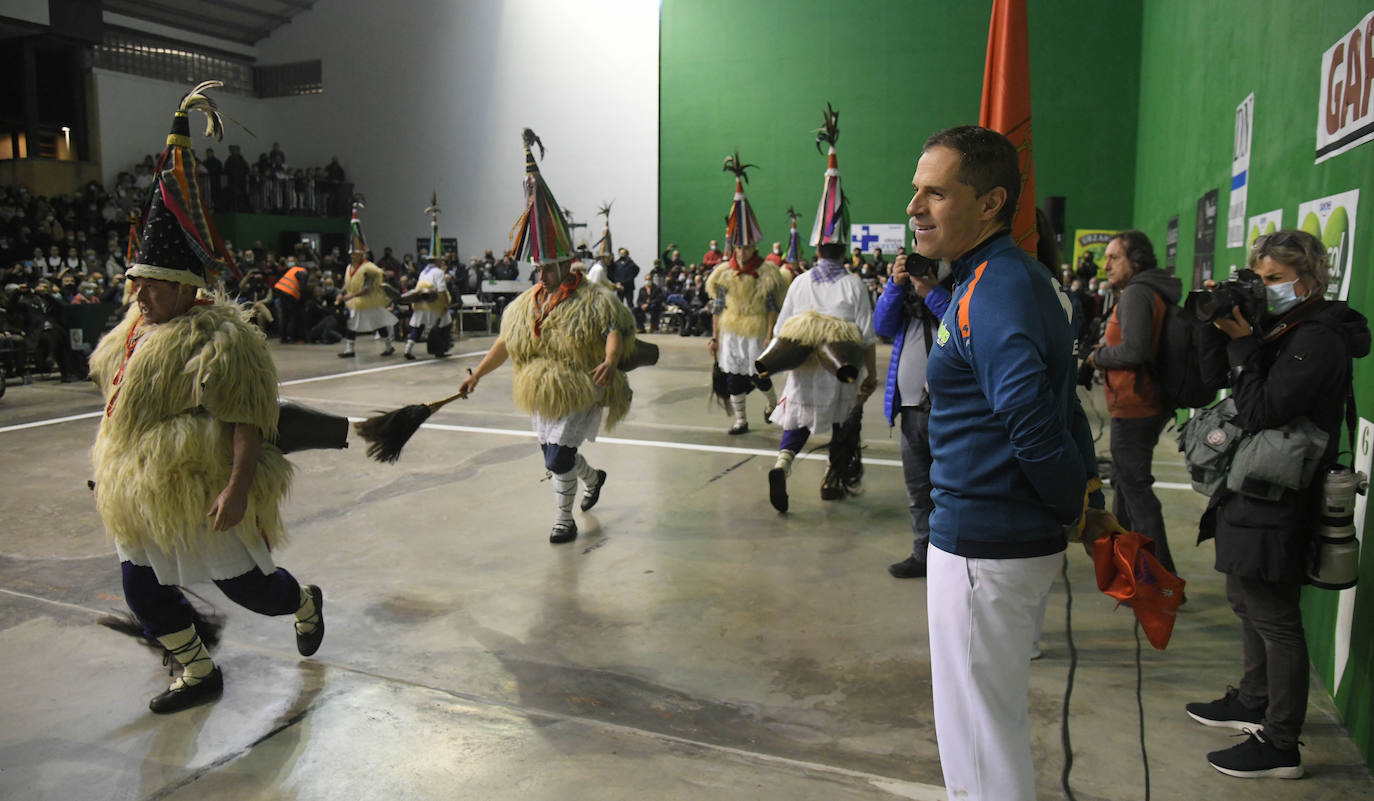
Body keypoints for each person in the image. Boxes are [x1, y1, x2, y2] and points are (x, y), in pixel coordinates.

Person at [89, 83, 323, 715]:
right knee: (141, 587)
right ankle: (197, 671)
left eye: (156, 286)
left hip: (202, 483)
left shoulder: (221, 339)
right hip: (139, 486)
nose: (141, 295)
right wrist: (108, 466)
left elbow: (247, 417)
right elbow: (119, 406)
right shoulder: (132, 330)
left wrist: (239, 487)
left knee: (250, 589)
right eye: (139, 283)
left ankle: (302, 603)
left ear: (189, 288)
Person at [914, 125, 1099, 801]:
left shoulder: (994, 288)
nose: (915, 208)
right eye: (916, 191)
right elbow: (1066, 405)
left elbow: (1034, 421)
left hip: (983, 543)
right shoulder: (1018, 278)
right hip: (1001, 542)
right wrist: (1084, 501)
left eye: (936, 192)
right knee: (993, 722)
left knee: (979, 745)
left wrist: (1072, 508)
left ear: (990, 203)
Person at [1185, 230, 1369, 779]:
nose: (1265, 289)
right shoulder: (1278, 328)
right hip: (1254, 485)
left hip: (1284, 493)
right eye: (1257, 277)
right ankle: (1254, 699)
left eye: (1274, 279)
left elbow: (1263, 408)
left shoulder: (1319, 337)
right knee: (1246, 597)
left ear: (1309, 280)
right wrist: (1217, 325)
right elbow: (1214, 379)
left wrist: (1246, 345)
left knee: (1275, 616)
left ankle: (1281, 741)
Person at [456, 129, 634, 544]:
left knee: (557, 459)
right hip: (542, 391)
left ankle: (563, 520)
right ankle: (593, 478)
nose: (543, 274)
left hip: (578, 385)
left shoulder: (590, 297)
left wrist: (609, 360)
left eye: (549, 267)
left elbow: (611, 326)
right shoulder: (525, 304)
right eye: (539, 268)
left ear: (565, 264)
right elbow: (506, 343)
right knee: (556, 458)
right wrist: (477, 375)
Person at [766, 106, 876, 510]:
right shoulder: (854, 284)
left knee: (796, 421)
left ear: (817, 247)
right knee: (843, 424)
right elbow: (865, 335)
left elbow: (782, 331)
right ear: (843, 248)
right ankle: (832, 479)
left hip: (804, 369)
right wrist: (872, 375)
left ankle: (783, 463)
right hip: (841, 371)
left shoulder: (798, 281)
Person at [1084, 230, 1181, 575]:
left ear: (1135, 260)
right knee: (1126, 486)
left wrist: (1099, 357)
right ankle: (1127, 566)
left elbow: (1136, 350)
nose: (1105, 264)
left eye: (1114, 257)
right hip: (1140, 403)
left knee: (1136, 490)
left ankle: (1159, 578)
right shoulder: (1147, 289)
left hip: (1136, 405)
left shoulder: (1138, 293)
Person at [873, 250, 950, 577]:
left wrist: (931, 291)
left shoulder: (962, 282)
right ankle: (923, 553)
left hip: (949, 411)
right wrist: (895, 283)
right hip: (909, 407)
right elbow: (881, 325)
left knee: (950, 490)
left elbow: (962, 324)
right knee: (918, 491)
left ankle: (950, 558)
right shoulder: (905, 291)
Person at [706, 153, 786, 435]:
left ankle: (772, 403)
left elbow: (771, 304)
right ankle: (740, 419)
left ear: (754, 247)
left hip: (755, 331)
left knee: (760, 375)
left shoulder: (765, 273)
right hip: (731, 331)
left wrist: (769, 333)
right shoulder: (723, 274)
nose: (741, 252)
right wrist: (715, 337)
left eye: (746, 247)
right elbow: (717, 307)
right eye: (737, 247)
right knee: (733, 379)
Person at [336, 204, 398, 357]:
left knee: (377, 324)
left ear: (361, 255)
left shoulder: (369, 268)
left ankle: (387, 346)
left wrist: (352, 295)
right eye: (351, 254)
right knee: (356, 324)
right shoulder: (349, 268)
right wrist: (342, 293)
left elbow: (368, 287)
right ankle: (351, 349)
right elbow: (347, 284)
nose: (352, 256)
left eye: (355, 254)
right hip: (357, 302)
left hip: (368, 300)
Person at [404, 198, 453, 360]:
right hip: (434, 304)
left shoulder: (423, 272)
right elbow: (441, 291)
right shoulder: (438, 272)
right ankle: (440, 349)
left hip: (420, 304)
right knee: (445, 324)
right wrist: (446, 304)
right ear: (438, 259)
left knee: (418, 326)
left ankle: (408, 349)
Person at [272, 256, 307, 343]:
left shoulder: (291, 270)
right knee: (293, 316)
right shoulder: (302, 271)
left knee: (285, 317)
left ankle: (283, 337)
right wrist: (303, 298)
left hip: (281, 291)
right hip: (289, 294)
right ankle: (293, 337)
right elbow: (302, 287)